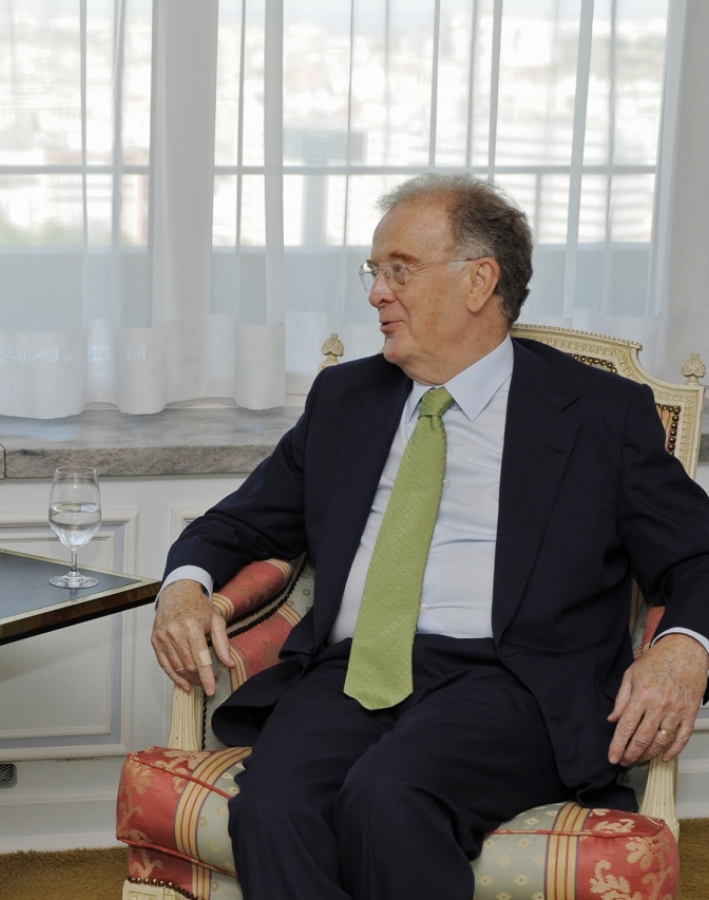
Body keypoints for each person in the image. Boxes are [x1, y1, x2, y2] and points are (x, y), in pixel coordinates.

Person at [150, 173, 709, 899]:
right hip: (353, 672)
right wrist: (184, 588)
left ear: (480, 281)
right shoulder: (346, 400)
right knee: (275, 808)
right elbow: (238, 521)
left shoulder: (599, 414)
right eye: (374, 272)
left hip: (510, 682)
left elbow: (698, 555)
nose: (378, 292)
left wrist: (682, 648)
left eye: (400, 270)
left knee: (388, 798)